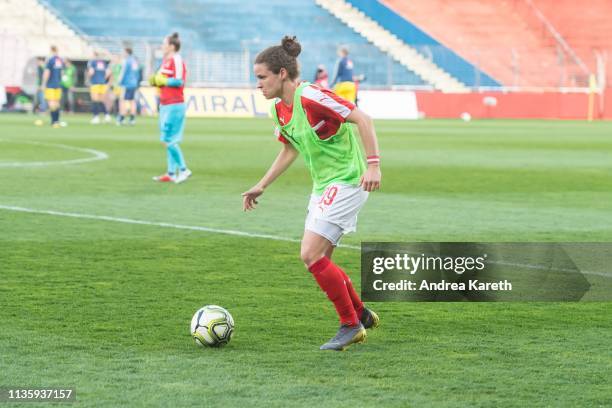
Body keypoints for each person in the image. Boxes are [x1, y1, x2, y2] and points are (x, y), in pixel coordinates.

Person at [242, 36, 381, 351]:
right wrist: (262, 184)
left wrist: (373, 166)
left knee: (310, 254)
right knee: (321, 261)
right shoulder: (279, 110)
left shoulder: (312, 96)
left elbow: (363, 119)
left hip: (347, 180)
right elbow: (290, 149)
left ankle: (351, 325)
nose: (258, 85)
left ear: (281, 74)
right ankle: (359, 311)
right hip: (323, 186)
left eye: (262, 77)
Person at [149, 32, 191, 184]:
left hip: (174, 104)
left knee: (167, 140)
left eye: (164, 43)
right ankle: (172, 173)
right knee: (169, 140)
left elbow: (179, 81)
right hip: (165, 103)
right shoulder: (166, 61)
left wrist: (163, 80)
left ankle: (184, 170)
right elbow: (162, 81)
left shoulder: (177, 60)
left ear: (172, 46)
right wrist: (155, 81)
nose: (162, 46)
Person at [42, 45, 66, 127]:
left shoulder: (50, 60)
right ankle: (57, 121)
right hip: (58, 84)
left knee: (51, 102)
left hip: (51, 84)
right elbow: (62, 73)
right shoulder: (60, 60)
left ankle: (53, 121)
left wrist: (44, 83)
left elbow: (47, 72)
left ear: (51, 50)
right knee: (57, 103)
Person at [117, 47, 141, 126]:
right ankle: (132, 119)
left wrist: (119, 82)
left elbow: (123, 72)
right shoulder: (135, 61)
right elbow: (137, 73)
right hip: (134, 84)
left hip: (126, 83)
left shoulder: (126, 61)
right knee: (132, 101)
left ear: (127, 52)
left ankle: (122, 118)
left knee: (122, 100)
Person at [87, 51, 111, 124]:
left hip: (95, 83)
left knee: (95, 100)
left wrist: (88, 79)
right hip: (102, 83)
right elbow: (108, 72)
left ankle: (96, 117)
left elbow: (91, 72)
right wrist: (103, 78)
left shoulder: (92, 62)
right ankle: (106, 115)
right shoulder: (103, 63)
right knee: (101, 100)